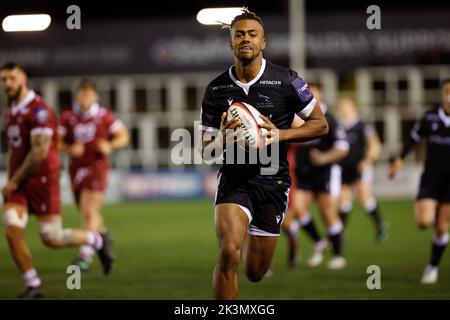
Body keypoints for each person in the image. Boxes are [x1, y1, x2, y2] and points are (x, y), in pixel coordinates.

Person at [199, 8, 328, 300]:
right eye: (239, 35)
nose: (246, 39)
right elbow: (205, 149)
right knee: (228, 252)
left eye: (252, 34)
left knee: (255, 272)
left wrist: (280, 134)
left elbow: (320, 124)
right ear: (231, 43)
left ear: (263, 42)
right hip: (234, 180)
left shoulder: (288, 81)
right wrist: (221, 138)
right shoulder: (216, 89)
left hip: (273, 182)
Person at [0, 62, 113, 299]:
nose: (7, 84)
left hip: (42, 179)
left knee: (53, 238)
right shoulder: (11, 111)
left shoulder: (40, 111)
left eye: (12, 78)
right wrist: (12, 180)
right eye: (3, 79)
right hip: (28, 180)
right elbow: (15, 148)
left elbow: (39, 152)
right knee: (11, 230)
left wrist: (110, 145)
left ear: (24, 80)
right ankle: (33, 285)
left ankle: (95, 241)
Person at [59, 79, 129, 272]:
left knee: (89, 212)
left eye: (88, 94)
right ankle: (103, 238)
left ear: (95, 96)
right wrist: (68, 148)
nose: (84, 98)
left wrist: (110, 145)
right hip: (76, 170)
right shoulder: (68, 117)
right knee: (88, 214)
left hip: (97, 167)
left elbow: (124, 136)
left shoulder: (104, 116)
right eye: (81, 94)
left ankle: (85, 256)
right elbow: (56, 142)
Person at [389, 79, 450, 284]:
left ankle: (432, 266)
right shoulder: (430, 117)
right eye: (447, 91)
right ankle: (436, 219)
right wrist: (399, 159)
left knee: (441, 227)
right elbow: (413, 139)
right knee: (423, 222)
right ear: (442, 93)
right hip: (431, 178)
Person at [282, 84, 349, 269]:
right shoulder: (298, 119)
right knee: (299, 211)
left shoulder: (330, 120)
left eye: (313, 94)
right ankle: (320, 242)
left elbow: (343, 148)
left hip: (325, 172)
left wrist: (324, 158)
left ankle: (338, 254)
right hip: (304, 173)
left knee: (327, 213)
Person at [336, 97, 388, 242]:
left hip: (359, 166)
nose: (343, 108)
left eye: (346, 105)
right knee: (343, 200)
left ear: (353, 107)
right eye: (341, 106)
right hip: (343, 167)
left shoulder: (362, 125)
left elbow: (374, 144)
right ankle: (340, 233)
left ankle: (380, 224)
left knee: (364, 198)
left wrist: (368, 160)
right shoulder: (339, 125)